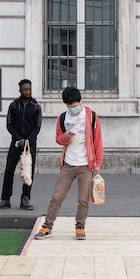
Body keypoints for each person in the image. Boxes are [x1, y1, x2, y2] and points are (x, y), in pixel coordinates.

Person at [33, 86, 103, 241]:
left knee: (83, 199)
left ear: (80, 101)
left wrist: (97, 163)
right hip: (68, 164)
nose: (73, 109)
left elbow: (98, 141)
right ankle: (47, 226)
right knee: (57, 196)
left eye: (74, 106)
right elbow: (58, 139)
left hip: (86, 164)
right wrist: (66, 136)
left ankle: (80, 227)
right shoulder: (63, 118)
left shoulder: (91, 117)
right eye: (69, 107)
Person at [0, 79, 42, 211]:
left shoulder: (36, 106)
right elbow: (9, 124)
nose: (27, 92)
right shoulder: (14, 105)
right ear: (20, 90)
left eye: (29, 89)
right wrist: (18, 139)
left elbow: (37, 126)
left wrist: (28, 140)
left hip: (30, 145)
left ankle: (25, 199)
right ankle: (5, 199)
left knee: (28, 171)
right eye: (25, 89)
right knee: (9, 170)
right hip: (15, 143)